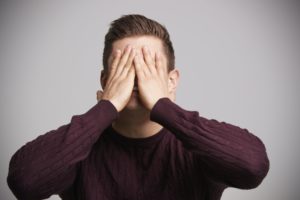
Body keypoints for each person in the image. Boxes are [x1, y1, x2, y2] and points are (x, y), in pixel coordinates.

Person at [7, 14, 269, 200]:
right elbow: (24, 182)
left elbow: (252, 166)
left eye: (148, 67)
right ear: (106, 80)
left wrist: (163, 105)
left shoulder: (198, 148)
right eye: (126, 68)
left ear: (171, 80)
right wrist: (106, 107)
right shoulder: (78, 151)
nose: (137, 78)